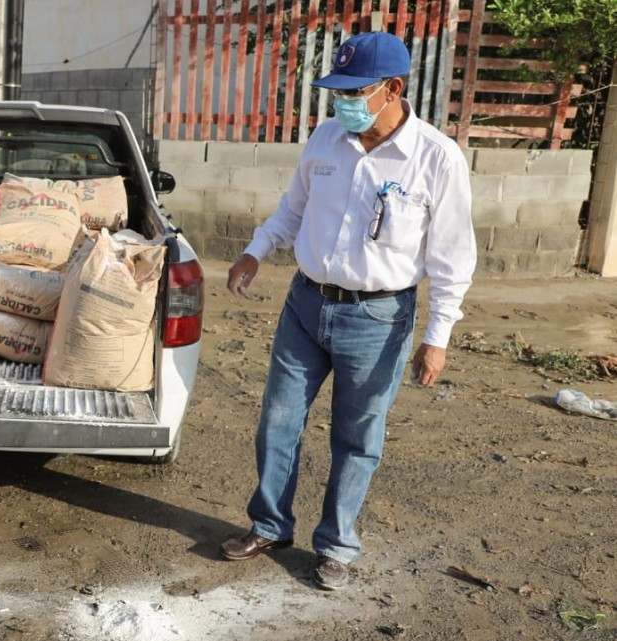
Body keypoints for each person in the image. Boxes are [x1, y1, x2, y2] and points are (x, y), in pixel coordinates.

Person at [219, 31, 476, 590]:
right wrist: (254, 251)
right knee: (277, 422)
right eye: (337, 92)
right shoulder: (326, 139)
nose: (343, 104)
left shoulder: (435, 158)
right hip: (306, 305)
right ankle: (269, 524)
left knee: (358, 438)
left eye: (354, 92)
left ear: (393, 88)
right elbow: (294, 208)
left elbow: (453, 255)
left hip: (378, 320)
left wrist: (439, 335)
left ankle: (336, 545)